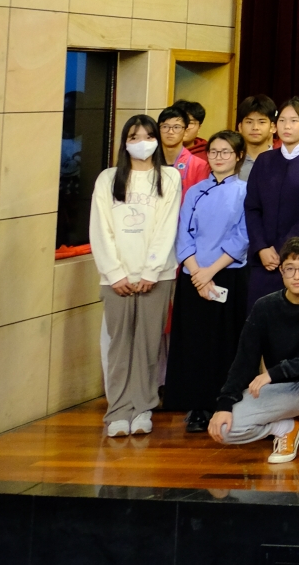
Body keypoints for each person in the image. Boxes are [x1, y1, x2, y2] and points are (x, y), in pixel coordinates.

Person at [207, 235, 299, 475]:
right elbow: (244, 359)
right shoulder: (265, 306)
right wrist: (224, 404)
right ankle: (285, 428)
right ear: (281, 271)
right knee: (225, 429)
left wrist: (274, 372)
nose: (297, 276)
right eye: (289, 268)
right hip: (281, 390)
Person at [91, 114, 183, 437]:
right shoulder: (108, 178)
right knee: (119, 345)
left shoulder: (169, 177)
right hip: (115, 278)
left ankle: (143, 407)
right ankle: (118, 410)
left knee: (148, 344)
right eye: (134, 136)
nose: (141, 142)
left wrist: (150, 271)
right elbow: (100, 229)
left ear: (156, 140)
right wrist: (115, 272)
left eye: (147, 136)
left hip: (157, 276)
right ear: (124, 142)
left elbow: (167, 227)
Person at [170, 130, 250, 433]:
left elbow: (242, 236)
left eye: (226, 152)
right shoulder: (194, 191)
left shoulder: (245, 191)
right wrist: (197, 272)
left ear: (238, 156)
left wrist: (210, 271)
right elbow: (183, 235)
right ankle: (196, 407)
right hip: (193, 277)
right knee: (193, 343)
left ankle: (223, 404)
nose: (218, 157)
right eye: (214, 151)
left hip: (227, 273)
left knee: (224, 342)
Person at [243, 98, 299, 307]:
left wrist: (283, 249)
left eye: (294, 121)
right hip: (263, 259)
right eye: (282, 120)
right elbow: (252, 207)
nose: (287, 126)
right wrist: (261, 247)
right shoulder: (264, 160)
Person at [235, 95, 277, 180]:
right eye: (249, 122)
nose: (255, 127)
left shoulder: (281, 161)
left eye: (261, 122)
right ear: (240, 127)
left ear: (272, 127)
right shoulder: (231, 161)